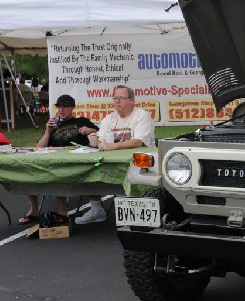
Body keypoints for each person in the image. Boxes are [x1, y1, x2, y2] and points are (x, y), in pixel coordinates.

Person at [75, 85, 155, 225]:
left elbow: (139, 141)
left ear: (132, 100)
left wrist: (112, 146)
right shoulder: (109, 119)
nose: (117, 101)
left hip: (139, 162)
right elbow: (101, 141)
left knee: (137, 167)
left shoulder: (141, 115)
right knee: (90, 167)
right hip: (111, 162)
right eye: (115, 98)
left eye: (121, 98)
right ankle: (96, 209)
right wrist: (95, 142)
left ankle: (137, 212)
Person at [18, 95, 99, 225]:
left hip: (78, 161)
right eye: (59, 106)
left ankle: (62, 211)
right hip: (57, 161)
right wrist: (47, 131)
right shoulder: (53, 124)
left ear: (72, 107)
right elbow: (39, 148)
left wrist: (90, 130)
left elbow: (101, 133)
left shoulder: (82, 121)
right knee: (30, 169)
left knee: (59, 172)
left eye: (65, 106)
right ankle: (33, 211)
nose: (61, 110)